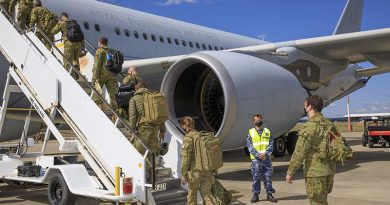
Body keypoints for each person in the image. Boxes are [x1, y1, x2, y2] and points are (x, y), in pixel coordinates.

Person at [286, 95, 337, 205]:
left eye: (305, 106)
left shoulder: (309, 127)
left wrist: (290, 172)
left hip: (315, 174)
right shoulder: (329, 124)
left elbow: (300, 152)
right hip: (329, 171)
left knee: (316, 202)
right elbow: (335, 145)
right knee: (322, 201)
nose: (305, 108)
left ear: (310, 107)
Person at [128, 82, 166, 181]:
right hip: (156, 128)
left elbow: (133, 116)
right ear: (145, 88)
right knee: (152, 152)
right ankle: (152, 176)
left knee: (138, 151)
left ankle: (150, 171)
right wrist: (162, 130)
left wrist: (132, 130)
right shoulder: (153, 97)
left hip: (144, 128)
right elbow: (160, 115)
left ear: (136, 89)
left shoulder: (134, 99)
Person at [180, 116, 215, 205]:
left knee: (192, 196)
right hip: (206, 170)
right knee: (207, 195)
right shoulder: (202, 136)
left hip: (194, 172)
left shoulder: (188, 139)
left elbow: (185, 159)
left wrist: (184, 174)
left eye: (182, 125)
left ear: (184, 126)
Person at [247, 114, 277, 203]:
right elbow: (249, 146)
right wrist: (258, 155)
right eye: (257, 120)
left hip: (266, 159)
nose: (259, 121)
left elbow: (271, 143)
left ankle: (269, 194)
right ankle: (255, 195)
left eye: (260, 120)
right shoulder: (251, 132)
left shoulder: (267, 131)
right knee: (256, 177)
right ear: (253, 122)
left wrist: (266, 154)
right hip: (256, 160)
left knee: (268, 177)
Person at [51, 12, 83, 79]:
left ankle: (68, 76)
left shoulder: (62, 22)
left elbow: (53, 31)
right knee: (75, 59)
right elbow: (81, 35)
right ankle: (76, 75)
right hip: (78, 43)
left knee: (67, 60)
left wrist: (59, 23)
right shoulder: (74, 22)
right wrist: (83, 47)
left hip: (69, 44)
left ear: (61, 17)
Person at [91, 37, 119, 111]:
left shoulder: (100, 51)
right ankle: (117, 113)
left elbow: (97, 65)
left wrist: (95, 76)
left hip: (102, 75)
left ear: (100, 43)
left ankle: (98, 109)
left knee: (97, 93)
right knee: (114, 96)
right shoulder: (111, 51)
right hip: (112, 75)